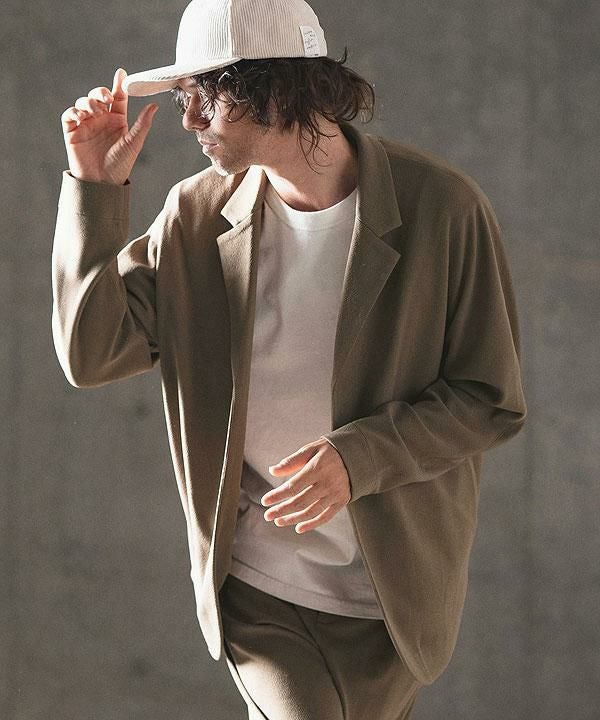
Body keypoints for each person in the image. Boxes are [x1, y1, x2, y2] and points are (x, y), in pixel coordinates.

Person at [53, 0, 528, 718]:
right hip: (261, 590)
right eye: (182, 99)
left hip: (394, 604)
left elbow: (488, 397)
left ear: (275, 90)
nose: (188, 121)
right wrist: (93, 188)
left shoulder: (444, 208)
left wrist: (359, 458)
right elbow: (93, 351)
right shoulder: (195, 216)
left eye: (204, 96)